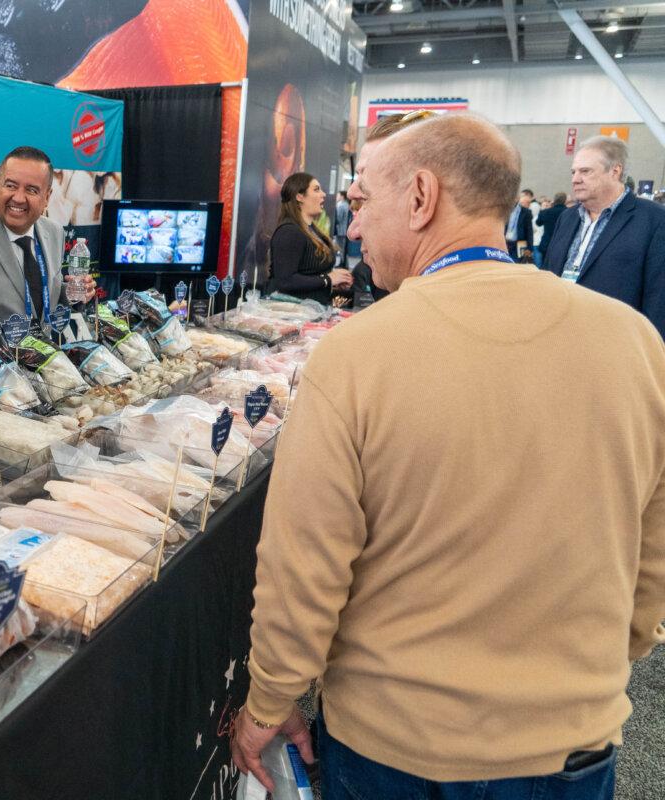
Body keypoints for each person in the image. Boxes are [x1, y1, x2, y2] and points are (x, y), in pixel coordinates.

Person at [231, 111, 665, 799]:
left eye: (363, 202)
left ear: (422, 197)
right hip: (572, 744)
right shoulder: (637, 344)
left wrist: (267, 702)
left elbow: (304, 565)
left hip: (397, 748)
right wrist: (597, 666)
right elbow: (651, 554)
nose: (352, 227)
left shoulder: (356, 356)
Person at [0, 146, 94, 328]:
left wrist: (73, 293)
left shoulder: (55, 232)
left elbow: (45, 296)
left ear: (47, 197)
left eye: (31, 190)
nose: (18, 198)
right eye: (11, 186)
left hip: (48, 353)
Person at [542, 135, 665, 339]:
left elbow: (658, 298)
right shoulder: (568, 217)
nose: (575, 179)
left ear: (615, 171)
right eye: (573, 172)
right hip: (559, 338)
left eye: (585, 171)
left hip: (616, 345)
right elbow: (548, 273)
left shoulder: (654, 220)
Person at [266, 172, 351, 304]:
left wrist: (333, 281)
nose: (323, 194)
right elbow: (285, 281)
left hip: (311, 312)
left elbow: (308, 275)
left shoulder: (311, 230)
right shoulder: (289, 232)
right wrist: (328, 279)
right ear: (300, 196)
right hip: (291, 316)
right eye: (316, 189)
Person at [537, 191, 568, 261]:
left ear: (554, 200)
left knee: (545, 267)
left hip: (547, 243)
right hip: (563, 244)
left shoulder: (546, 212)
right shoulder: (569, 212)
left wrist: (542, 210)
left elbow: (538, 223)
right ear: (565, 200)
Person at [505, 189, 534, 260]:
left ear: (518, 198)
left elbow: (529, 231)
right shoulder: (504, 210)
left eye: (514, 197)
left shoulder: (526, 212)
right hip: (505, 243)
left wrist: (529, 248)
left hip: (519, 244)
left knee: (518, 264)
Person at [525, 189, 544, 266]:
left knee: (537, 262)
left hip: (536, 241)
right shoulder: (538, 217)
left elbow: (533, 230)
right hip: (537, 241)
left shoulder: (535, 218)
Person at [333, 190, 350, 266]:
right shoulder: (347, 205)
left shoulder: (340, 205)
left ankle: (342, 263)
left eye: (338, 195)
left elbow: (338, 218)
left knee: (339, 248)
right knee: (343, 248)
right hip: (345, 230)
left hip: (340, 230)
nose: (337, 197)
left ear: (342, 196)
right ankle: (344, 263)